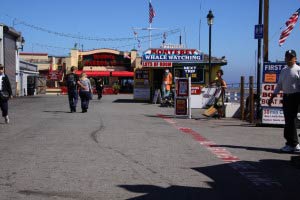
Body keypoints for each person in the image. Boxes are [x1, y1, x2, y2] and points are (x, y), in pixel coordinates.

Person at [268, 49, 300, 153]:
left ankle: (295, 144)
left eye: (291, 57)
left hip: (296, 97)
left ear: (295, 58)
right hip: (286, 97)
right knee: (287, 121)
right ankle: (289, 143)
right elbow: (279, 85)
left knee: (292, 120)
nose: (289, 59)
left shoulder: (298, 69)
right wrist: (272, 97)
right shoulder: (284, 70)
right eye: (287, 57)